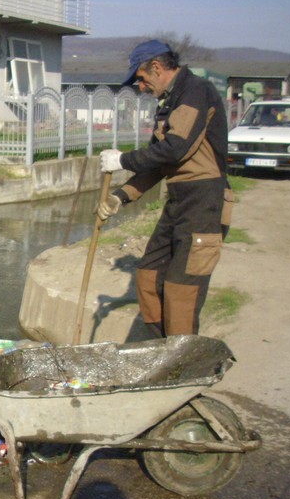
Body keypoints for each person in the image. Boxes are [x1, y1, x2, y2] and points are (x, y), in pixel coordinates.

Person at [97, 40, 233, 338]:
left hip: (204, 202)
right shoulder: (170, 101)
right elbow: (158, 163)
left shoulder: (196, 91)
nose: (141, 88)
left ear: (156, 68)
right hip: (179, 202)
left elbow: (173, 150)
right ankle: (160, 350)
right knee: (147, 277)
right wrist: (121, 196)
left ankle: (182, 373)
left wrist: (122, 160)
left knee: (180, 292)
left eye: (141, 79)